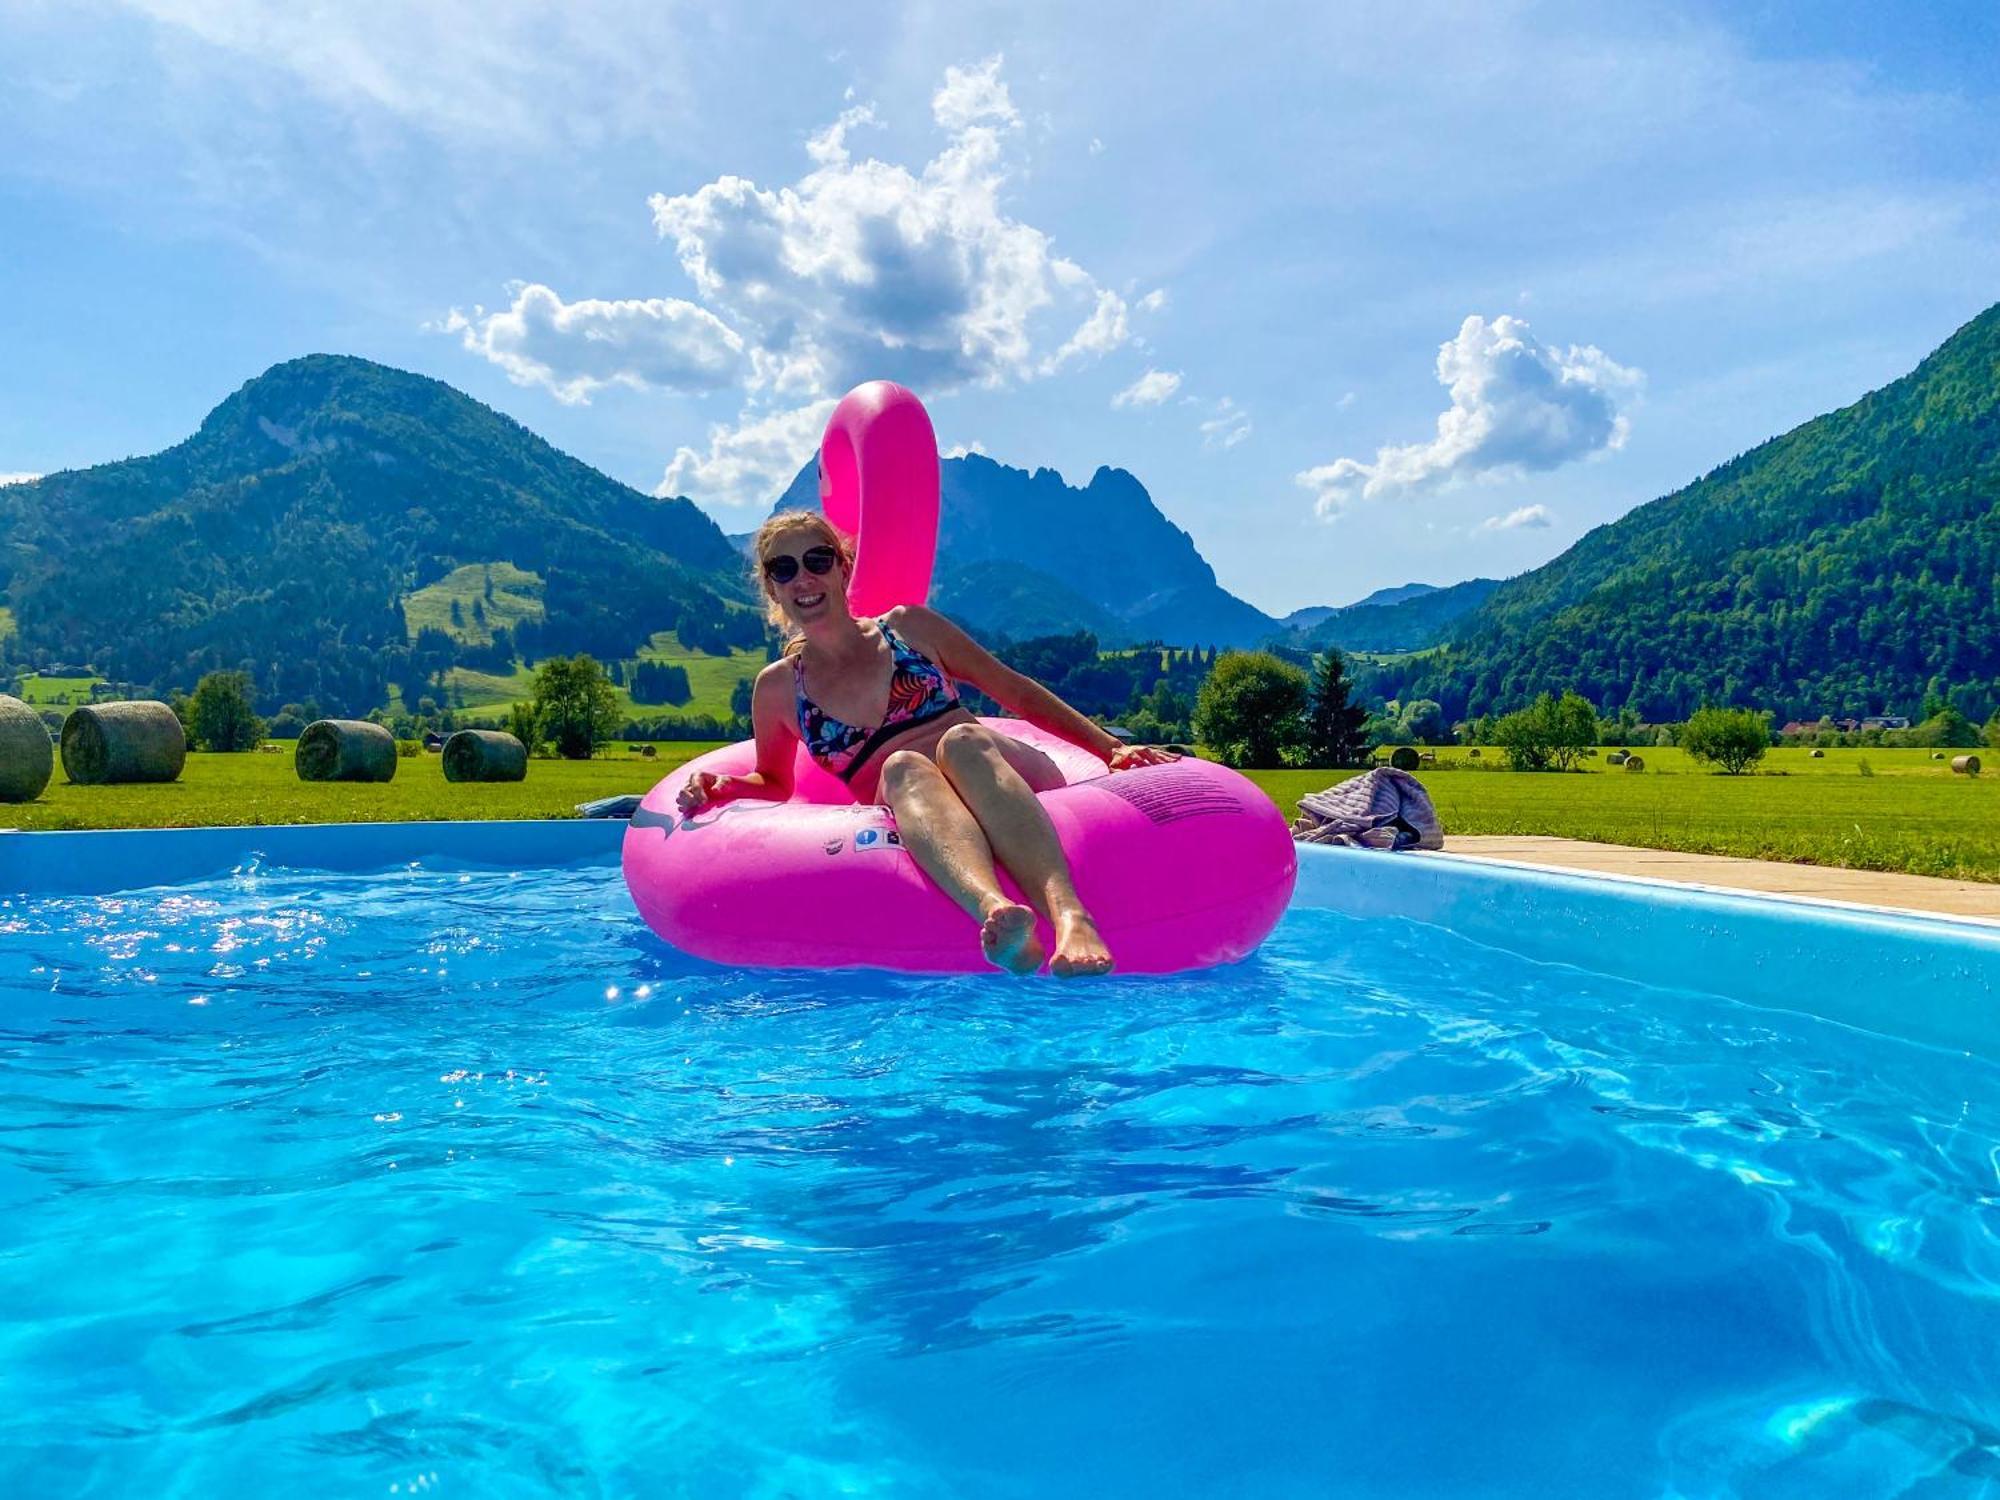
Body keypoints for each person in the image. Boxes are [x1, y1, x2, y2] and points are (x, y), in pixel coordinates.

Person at [675, 509, 1179, 977]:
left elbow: (1014, 690)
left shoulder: (909, 629)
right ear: (772, 588)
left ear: (842, 568)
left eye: (817, 560)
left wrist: (1107, 747)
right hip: (918, 800)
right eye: (784, 569)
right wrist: (725, 786)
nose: (803, 579)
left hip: (996, 766)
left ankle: (1071, 917)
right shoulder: (780, 687)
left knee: (959, 741)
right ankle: (998, 914)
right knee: (901, 766)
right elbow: (777, 780)